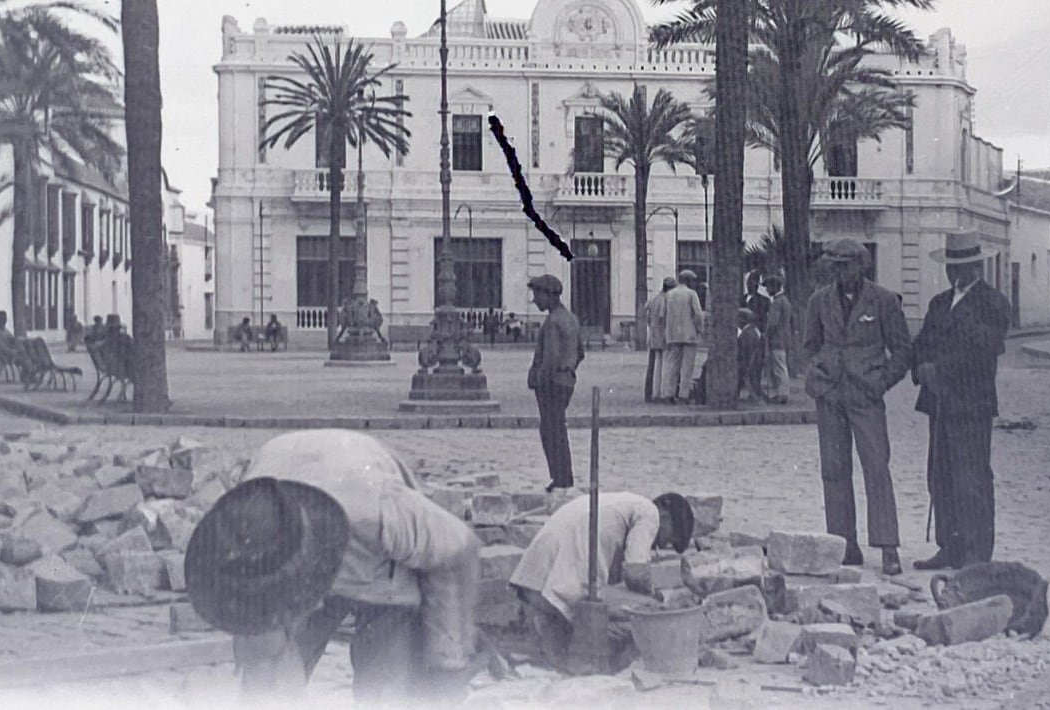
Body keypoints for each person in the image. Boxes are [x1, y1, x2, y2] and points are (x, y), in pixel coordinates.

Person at [185, 429, 481, 704]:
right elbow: (260, 646)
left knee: (388, 690)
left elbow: (458, 550)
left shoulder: (378, 513)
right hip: (285, 476)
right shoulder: (252, 523)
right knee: (266, 683)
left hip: (381, 574)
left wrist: (448, 659)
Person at [804, 238, 913, 575]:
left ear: (862, 265)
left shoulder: (883, 301)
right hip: (831, 395)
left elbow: (903, 351)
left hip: (866, 395)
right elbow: (808, 346)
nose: (840, 271)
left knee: (876, 467)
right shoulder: (819, 301)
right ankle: (843, 544)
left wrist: (881, 381)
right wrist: (817, 373)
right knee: (834, 470)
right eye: (835, 265)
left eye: (846, 264)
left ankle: (887, 546)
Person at [911, 229, 1013, 571]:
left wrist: (941, 370)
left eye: (963, 265)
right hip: (938, 404)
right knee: (940, 476)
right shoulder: (938, 303)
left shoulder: (994, 303)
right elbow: (922, 342)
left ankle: (976, 552)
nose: (955, 272)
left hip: (971, 405)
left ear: (976, 267)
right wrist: (920, 369)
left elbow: (984, 350)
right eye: (951, 266)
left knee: (972, 479)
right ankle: (949, 546)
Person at [510, 491, 694, 669]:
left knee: (618, 600)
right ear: (665, 512)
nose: (662, 545)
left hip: (530, 581)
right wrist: (654, 596)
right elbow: (636, 572)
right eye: (670, 537)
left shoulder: (617, 504)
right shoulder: (649, 512)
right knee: (649, 611)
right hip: (554, 590)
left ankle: (556, 640)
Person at [527, 276, 583, 491]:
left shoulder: (552, 322)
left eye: (538, 295)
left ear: (549, 295)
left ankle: (560, 479)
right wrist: (568, 371)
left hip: (550, 383)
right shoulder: (571, 318)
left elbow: (550, 357)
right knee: (558, 428)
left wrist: (538, 380)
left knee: (550, 431)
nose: (536, 300)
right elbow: (580, 353)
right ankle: (564, 477)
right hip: (566, 382)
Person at [659, 269, 705, 404]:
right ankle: (684, 395)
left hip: (673, 335)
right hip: (689, 335)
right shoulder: (692, 294)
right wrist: (699, 329)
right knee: (687, 367)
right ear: (689, 281)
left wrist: (666, 332)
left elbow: (663, 315)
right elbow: (698, 314)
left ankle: (669, 394)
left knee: (672, 365)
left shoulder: (669, 295)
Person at [763, 273, 795, 404]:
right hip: (785, 338)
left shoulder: (777, 302)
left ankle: (782, 394)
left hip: (776, 339)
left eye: (768, 287)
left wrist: (767, 334)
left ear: (774, 287)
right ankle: (782, 392)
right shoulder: (786, 301)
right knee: (781, 365)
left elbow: (773, 322)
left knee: (779, 367)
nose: (767, 289)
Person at [642, 278, 673, 403]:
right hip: (662, 336)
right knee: (662, 365)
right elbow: (662, 317)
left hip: (653, 336)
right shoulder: (665, 300)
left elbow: (647, 314)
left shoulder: (654, 299)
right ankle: (660, 393)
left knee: (654, 365)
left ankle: (653, 393)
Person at [735, 307, 766, 401]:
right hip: (755, 360)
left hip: (747, 362)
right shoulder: (754, 330)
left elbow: (745, 351)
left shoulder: (747, 333)